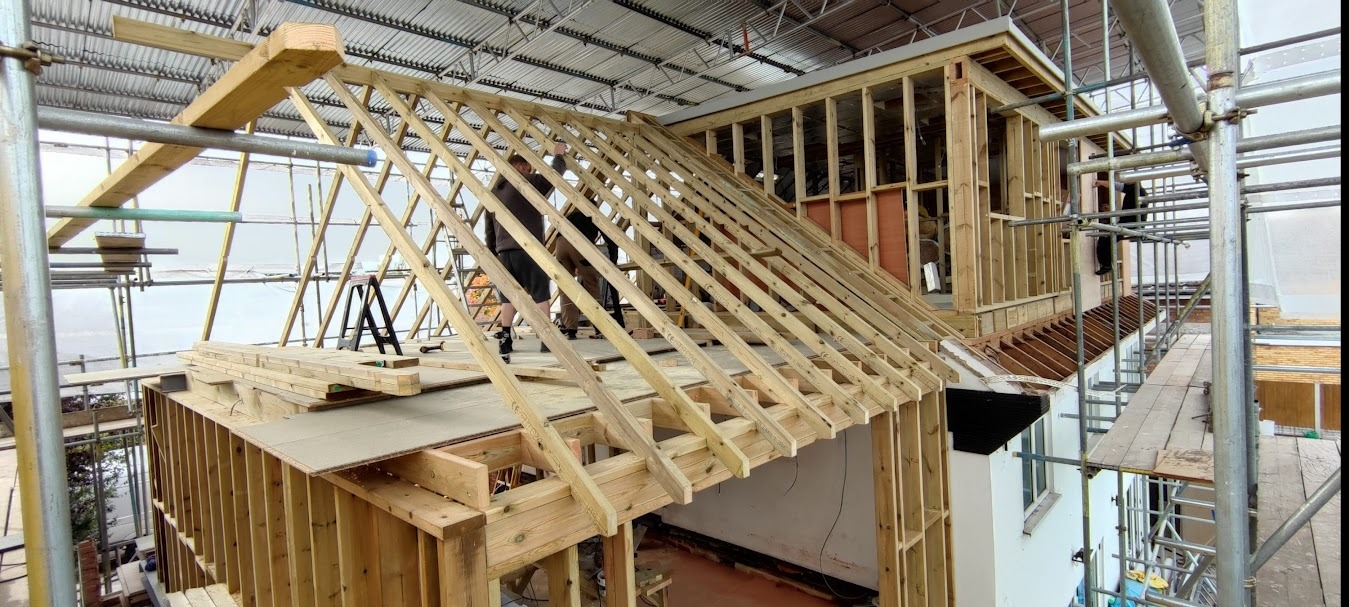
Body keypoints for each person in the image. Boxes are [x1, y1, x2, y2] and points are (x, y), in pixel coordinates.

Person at [485, 142, 568, 356]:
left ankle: (505, 340)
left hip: (505, 253)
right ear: (519, 167)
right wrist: (559, 156)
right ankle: (547, 340)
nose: (530, 172)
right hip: (528, 249)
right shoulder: (524, 184)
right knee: (540, 294)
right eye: (528, 169)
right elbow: (552, 177)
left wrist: (494, 254)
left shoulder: (494, 193)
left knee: (508, 297)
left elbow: (489, 230)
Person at [554, 210, 617, 339]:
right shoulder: (594, 215)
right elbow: (609, 239)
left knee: (566, 287)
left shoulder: (572, 214)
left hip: (560, 244)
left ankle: (570, 329)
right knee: (591, 284)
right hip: (579, 242)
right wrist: (613, 260)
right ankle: (600, 327)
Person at [1093, 177, 1150, 276]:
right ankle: (1106, 265)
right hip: (1128, 223)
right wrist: (1101, 183)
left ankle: (1107, 265)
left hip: (1131, 225)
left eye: (1126, 179)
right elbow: (1118, 186)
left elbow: (1116, 185)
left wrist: (1101, 182)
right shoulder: (1135, 190)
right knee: (1106, 239)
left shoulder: (1138, 191)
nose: (1124, 182)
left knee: (1106, 239)